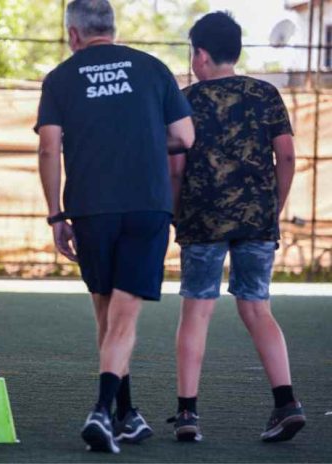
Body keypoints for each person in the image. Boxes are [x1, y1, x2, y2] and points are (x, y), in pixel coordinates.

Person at [35, 0, 194, 453]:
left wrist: (55, 215)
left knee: (106, 311)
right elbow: (185, 137)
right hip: (147, 206)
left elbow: (49, 150)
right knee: (120, 315)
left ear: (73, 34)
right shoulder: (152, 68)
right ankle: (120, 414)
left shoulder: (61, 77)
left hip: (91, 209)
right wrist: (142, 134)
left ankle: (108, 412)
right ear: (112, 28)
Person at [168, 11, 304, 443]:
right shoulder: (265, 94)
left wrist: (175, 213)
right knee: (257, 307)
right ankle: (286, 404)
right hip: (257, 219)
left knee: (197, 309)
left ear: (201, 54)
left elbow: (176, 166)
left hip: (202, 217)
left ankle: (187, 413)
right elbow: (285, 157)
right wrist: (273, 207)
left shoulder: (185, 101)